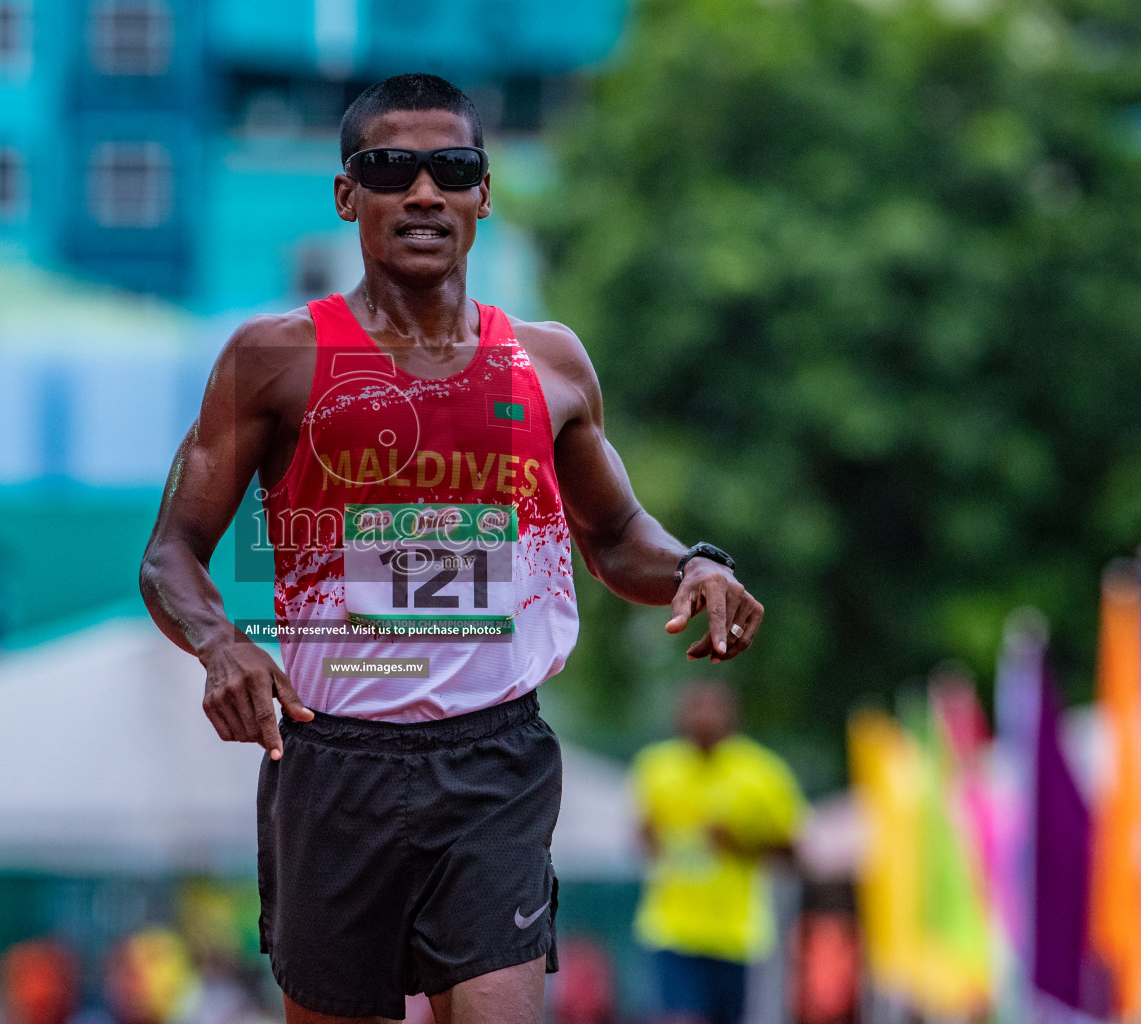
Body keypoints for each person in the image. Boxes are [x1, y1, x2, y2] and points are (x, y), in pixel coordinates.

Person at [140, 73, 764, 1024]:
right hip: (331, 761)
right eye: (391, 168)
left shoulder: (548, 363)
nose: (423, 192)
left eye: (452, 168)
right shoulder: (276, 360)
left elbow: (615, 535)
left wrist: (694, 565)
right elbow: (171, 554)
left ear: (483, 193)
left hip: (493, 760)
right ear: (348, 196)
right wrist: (221, 643)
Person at [629, 681, 806, 1024]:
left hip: (735, 934)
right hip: (672, 929)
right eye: (697, 707)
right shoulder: (655, 768)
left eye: (714, 708)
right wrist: (650, 837)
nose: (705, 717)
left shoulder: (762, 774)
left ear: (733, 716)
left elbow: (794, 852)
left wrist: (739, 842)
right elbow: (643, 842)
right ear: (679, 716)